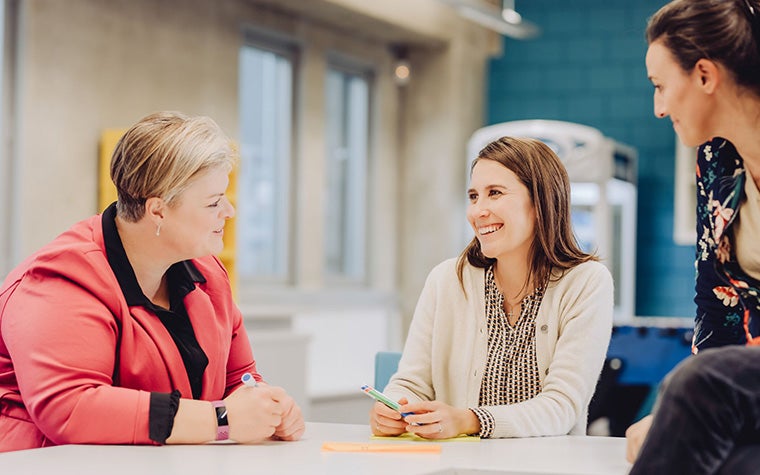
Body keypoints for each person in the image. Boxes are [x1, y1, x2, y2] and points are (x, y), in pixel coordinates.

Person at [0, 111, 304, 452]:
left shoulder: (207, 274)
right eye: (214, 202)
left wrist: (266, 407)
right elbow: (72, 408)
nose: (229, 211)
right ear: (157, 210)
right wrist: (222, 420)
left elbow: (240, 381)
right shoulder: (60, 280)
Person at [369, 136, 614, 439]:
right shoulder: (446, 280)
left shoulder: (587, 283)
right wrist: (395, 407)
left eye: (494, 193)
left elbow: (562, 407)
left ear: (541, 202)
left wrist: (469, 420)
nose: (477, 211)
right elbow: (411, 382)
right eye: (473, 196)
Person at [626, 0, 760, 472]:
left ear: (705, 75)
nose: (658, 109)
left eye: (661, 87)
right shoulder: (717, 162)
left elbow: (716, 377)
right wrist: (675, 415)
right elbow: (715, 301)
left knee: (696, 386)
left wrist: (695, 392)